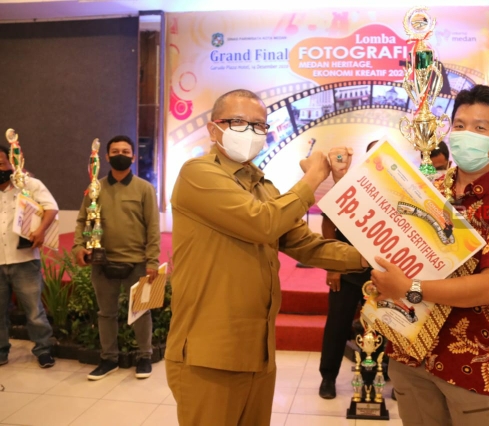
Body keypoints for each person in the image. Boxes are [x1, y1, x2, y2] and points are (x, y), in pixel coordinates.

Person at [165, 89, 368, 426]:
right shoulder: (197, 173)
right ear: (214, 129)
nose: (250, 132)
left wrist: (369, 257)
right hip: (209, 352)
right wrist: (313, 177)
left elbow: (305, 244)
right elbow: (262, 223)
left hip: (257, 350)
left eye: (259, 125)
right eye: (238, 122)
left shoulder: (262, 186)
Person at [369, 84, 489, 426]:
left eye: (480, 127)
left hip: (469, 362)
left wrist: (410, 287)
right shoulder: (424, 190)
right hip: (409, 352)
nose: (465, 134)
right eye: (459, 125)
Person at [72, 135, 160, 381]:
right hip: (102, 262)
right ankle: (108, 359)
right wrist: (79, 247)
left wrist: (152, 261)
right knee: (106, 313)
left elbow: (153, 227)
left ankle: (144, 356)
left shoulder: (144, 188)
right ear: (107, 157)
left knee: (141, 312)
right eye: (115, 151)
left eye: (125, 151)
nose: (120, 155)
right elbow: (82, 221)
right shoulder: (95, 188)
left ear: (133, 156)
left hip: (138, 263)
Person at [319, 140, 378, 400]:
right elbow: (328, 225)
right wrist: (333, 266)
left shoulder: (398, 193)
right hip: (345, 271)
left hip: (379, 277)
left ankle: (372, 380)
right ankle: (328, 378)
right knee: (337, 325)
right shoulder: (350, 186)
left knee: (378, 329)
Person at [0, 144, 58, 368]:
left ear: (11, 163)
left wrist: (41, 230)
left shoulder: (29, 184)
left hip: (25, 260)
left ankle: (43, 350)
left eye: (1, 163)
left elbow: (51, 207)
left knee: (34, 311)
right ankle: (1, 351)